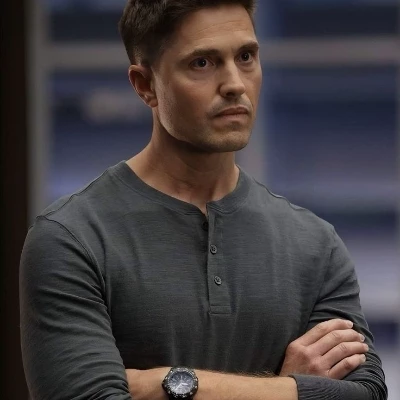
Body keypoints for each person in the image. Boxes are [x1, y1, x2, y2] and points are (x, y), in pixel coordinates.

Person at [20, 1, 387, 399]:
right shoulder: (71, 238)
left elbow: (365, 393)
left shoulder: (315, 244)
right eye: (202, 63)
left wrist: (169, 384)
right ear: (145, 85)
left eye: (245, 57)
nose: (235, 84)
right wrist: (290, 389)